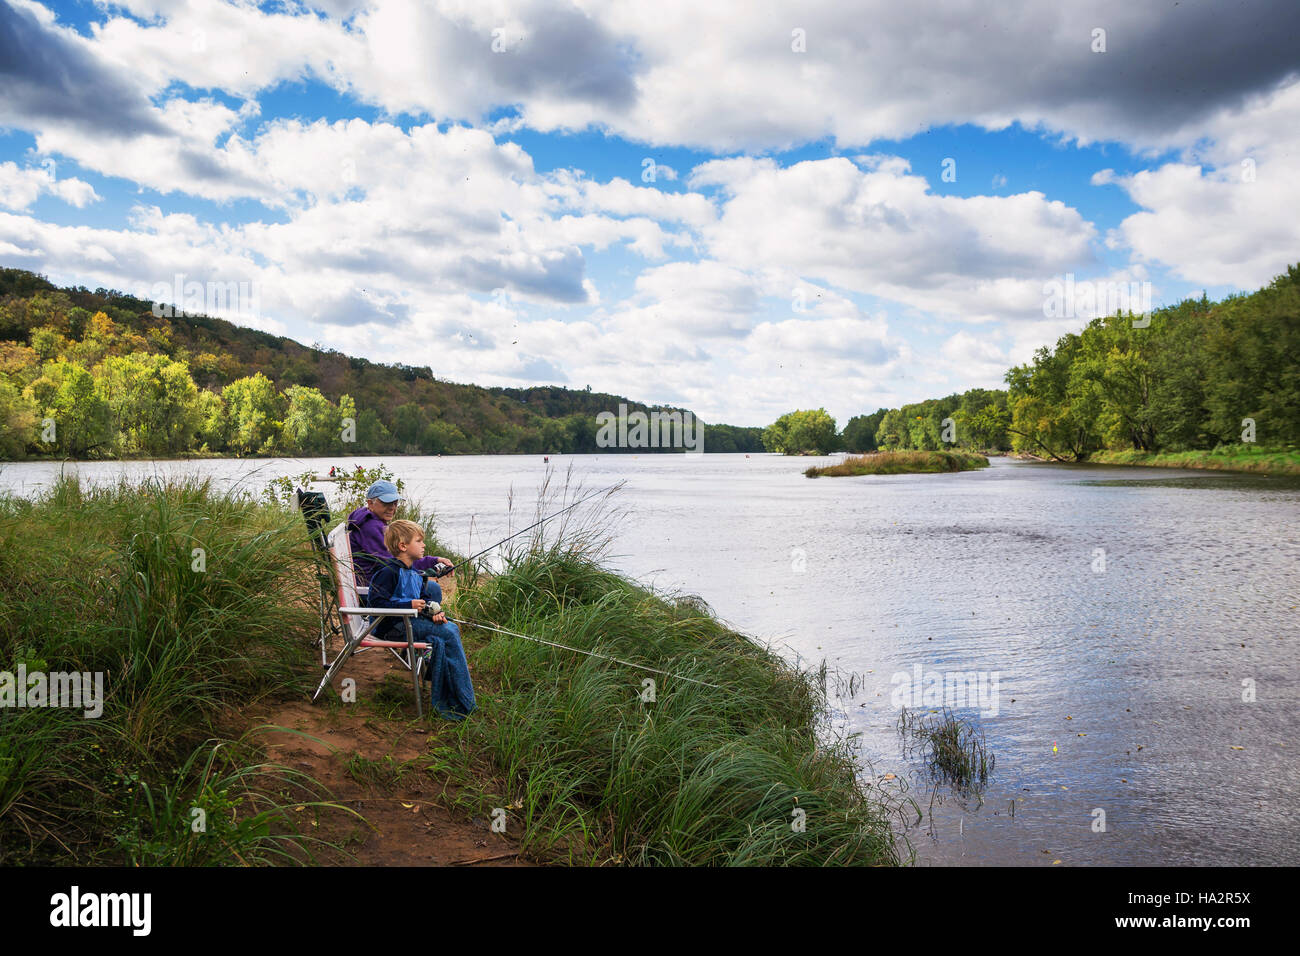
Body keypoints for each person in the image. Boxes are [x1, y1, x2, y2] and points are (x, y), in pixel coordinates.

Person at [367, 518, 475, 721]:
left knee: (450, 628)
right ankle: (461, 699)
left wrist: (433, 611)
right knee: (449, 633)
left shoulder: (414, 572)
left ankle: (458, 693)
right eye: (419, 540)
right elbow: (376, 604)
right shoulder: (388, 572)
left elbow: (423, 598)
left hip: (409, 623)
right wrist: (406, 606)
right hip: (391, 627)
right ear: (403, 546)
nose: (424, 545)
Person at [347, 479, 450, 587]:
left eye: (395, 503)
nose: (392, 507)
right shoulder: (371, 527)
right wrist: (431, 566)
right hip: (373, 587)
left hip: (377, 579)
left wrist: (434, 562)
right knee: (433, 588)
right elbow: (398, 563)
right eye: (386, 503)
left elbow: (398, 560)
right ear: (370, 503)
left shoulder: (367, 520)